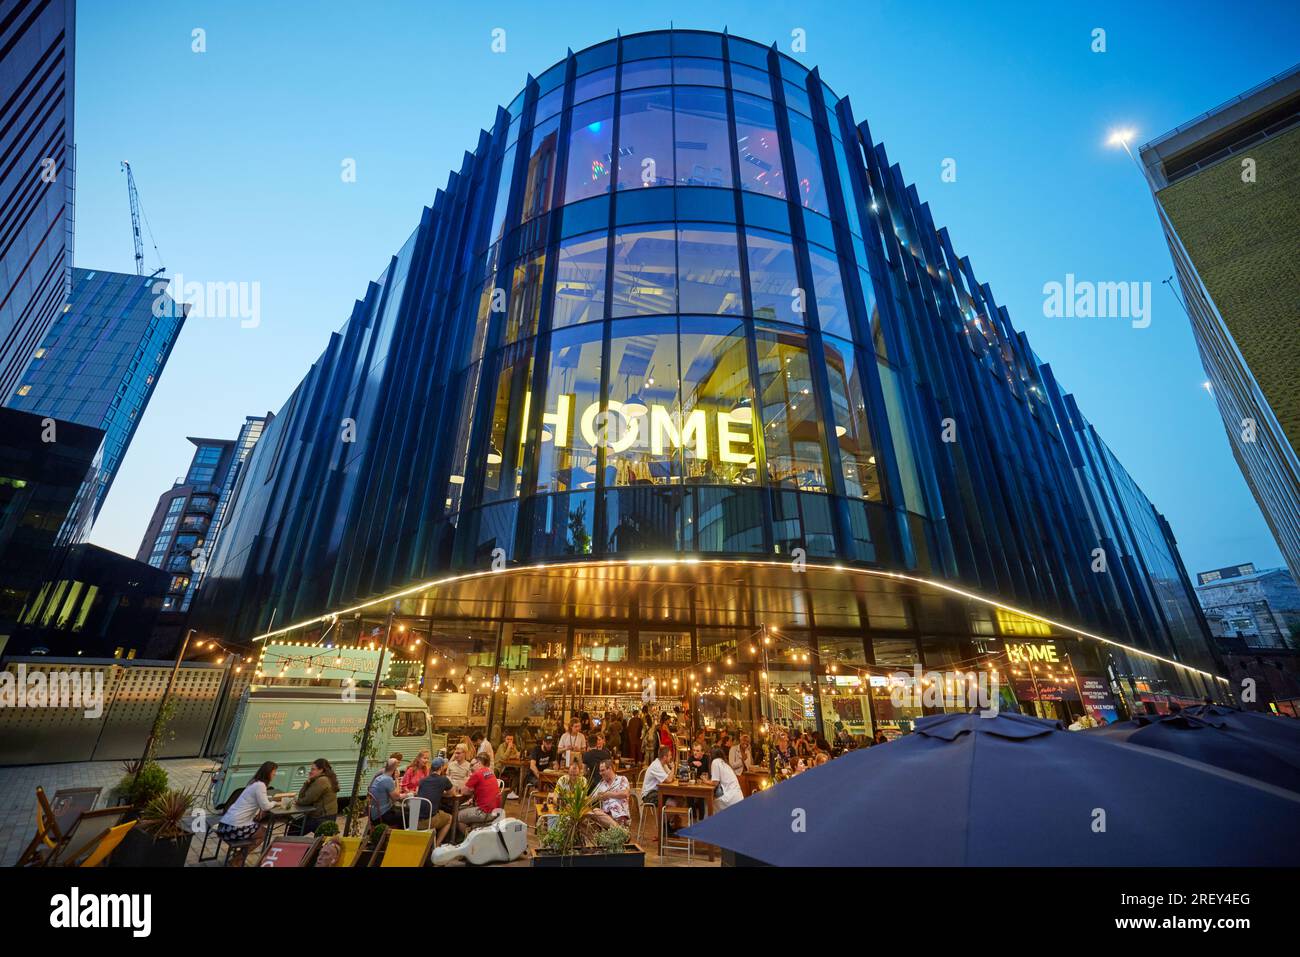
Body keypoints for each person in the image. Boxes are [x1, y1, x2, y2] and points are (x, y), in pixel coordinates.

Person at [216, 761, 277, 864]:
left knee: (258, 828)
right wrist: (275, 803)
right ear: (268, 772)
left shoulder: (254, 782)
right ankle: (237, 861)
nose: (275, 774)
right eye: (274, 772)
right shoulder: (260, 785)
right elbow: (266, 806)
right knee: (264, 833)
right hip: (234, 828)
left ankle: (238, 856)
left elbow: (257, 802)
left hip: (224, 825)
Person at [454, 752, 501, 841]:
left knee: (456, 816)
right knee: (464, 808)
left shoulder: (477, 774)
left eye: (472, 765)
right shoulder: (490, 771)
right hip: (495, 810)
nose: (470, 767)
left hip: (484, 812)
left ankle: (471, 840)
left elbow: (464, 791)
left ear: (479, 763)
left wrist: (464, 784)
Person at [415, 756, 455, 844]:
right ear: (441, 768)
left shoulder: (422, 780)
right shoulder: (444, 779)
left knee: (438, 811)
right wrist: (442, 793)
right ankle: (436, 845)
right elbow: (452, 793)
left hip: (414, 819)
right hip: (428, 821)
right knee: (449, 818)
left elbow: (417, 792)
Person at [296, 758, 339, 834]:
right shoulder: (326, 778)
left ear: (321, 770)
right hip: (328, 816)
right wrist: (307, 782)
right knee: (297, 823)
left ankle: (289, 844)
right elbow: (303, 797)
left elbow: (306, 800)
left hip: (322, 818)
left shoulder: (322, 781)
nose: (310, 772)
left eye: (313, 769)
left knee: (295, 826)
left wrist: (296, 802)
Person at [591, 759, 631, 827]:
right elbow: (591, 798)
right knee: (595, 811)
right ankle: (619, 829)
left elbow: (625, 794)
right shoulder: (601, 784)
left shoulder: (622, 779)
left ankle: (617, 828)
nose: (600, 773)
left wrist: (608, 794)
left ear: (609, 768)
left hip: (621, 815)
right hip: (607, 817)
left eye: (602, 770)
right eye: (600, 771)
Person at [368, 757, 404, 828]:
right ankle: (399, 836)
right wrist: (397, 779)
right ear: (394, 770)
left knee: (401, 811)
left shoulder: (379, 778)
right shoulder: (387, 779)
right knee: (407, 816)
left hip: (373, 814)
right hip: (380, 816)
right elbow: (396, 797)